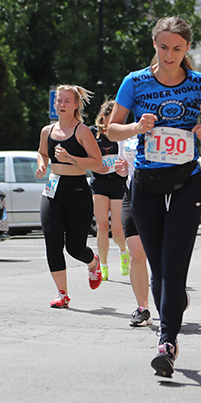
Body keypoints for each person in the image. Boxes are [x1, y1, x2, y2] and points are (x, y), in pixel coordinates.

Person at [107, 16, 201, 378]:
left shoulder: (199, 82)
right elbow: (111, 127)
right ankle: (172, 307)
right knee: (158, 267)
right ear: (154, 45)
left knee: (174, 266)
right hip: (146, 182)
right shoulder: (135, 82)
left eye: (177, 48)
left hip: (187, 179)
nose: (169, 54)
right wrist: (136, 127)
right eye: (163, 47)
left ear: (187, 48)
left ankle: (167, 341)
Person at [35, 85, 104, 309]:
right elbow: (42, 152)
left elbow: (97, 162)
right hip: (53, 190)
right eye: (58, 100)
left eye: (66, 101)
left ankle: (93, 263)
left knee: (74, 248)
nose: (61, 104)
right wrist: (42, 165)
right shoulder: (47, 131)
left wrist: (70, 158)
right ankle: (62, 294)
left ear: (75, 105)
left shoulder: (82, 131)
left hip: (77, 191)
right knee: (52, 241)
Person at [114, 136, 152, 328]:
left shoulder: (166, 129)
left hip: (158, 196)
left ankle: (174, 293)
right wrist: (122, 171)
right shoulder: (126, 136)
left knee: (160, 254)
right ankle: (142, 308)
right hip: (132, 195)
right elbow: (125, 166)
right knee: (136, 254)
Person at [89, 100, 128, 281]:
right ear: (103, 117)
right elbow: (85, 156)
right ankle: (103, 266)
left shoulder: (122, 134)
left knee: (117, 228)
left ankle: (123, 251)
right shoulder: (92, 133)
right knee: (102, 226)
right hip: (99, 183)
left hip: (118, 184)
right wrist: (94, 167)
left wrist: (123, 166)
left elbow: (129, 158)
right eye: (111, 118)